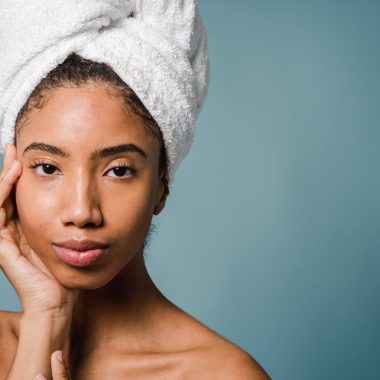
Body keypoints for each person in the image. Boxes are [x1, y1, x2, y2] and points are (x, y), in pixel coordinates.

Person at [0, 2, 270, 379]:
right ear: (11, 177)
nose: (81, 211)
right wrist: (44, 317)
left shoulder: (221, 373)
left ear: (162, 185)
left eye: (118, 170)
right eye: (48, 167)